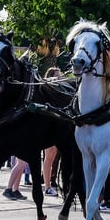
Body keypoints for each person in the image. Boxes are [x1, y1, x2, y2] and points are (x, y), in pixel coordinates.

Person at [42, 67, 62, 196]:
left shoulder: (57, 91)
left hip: (56, 127)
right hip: (48, 128)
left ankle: (50, 183)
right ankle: (47, 186)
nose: (59, 78)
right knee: (49, 157)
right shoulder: (46, 90)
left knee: (53, 157)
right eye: (56, 76)